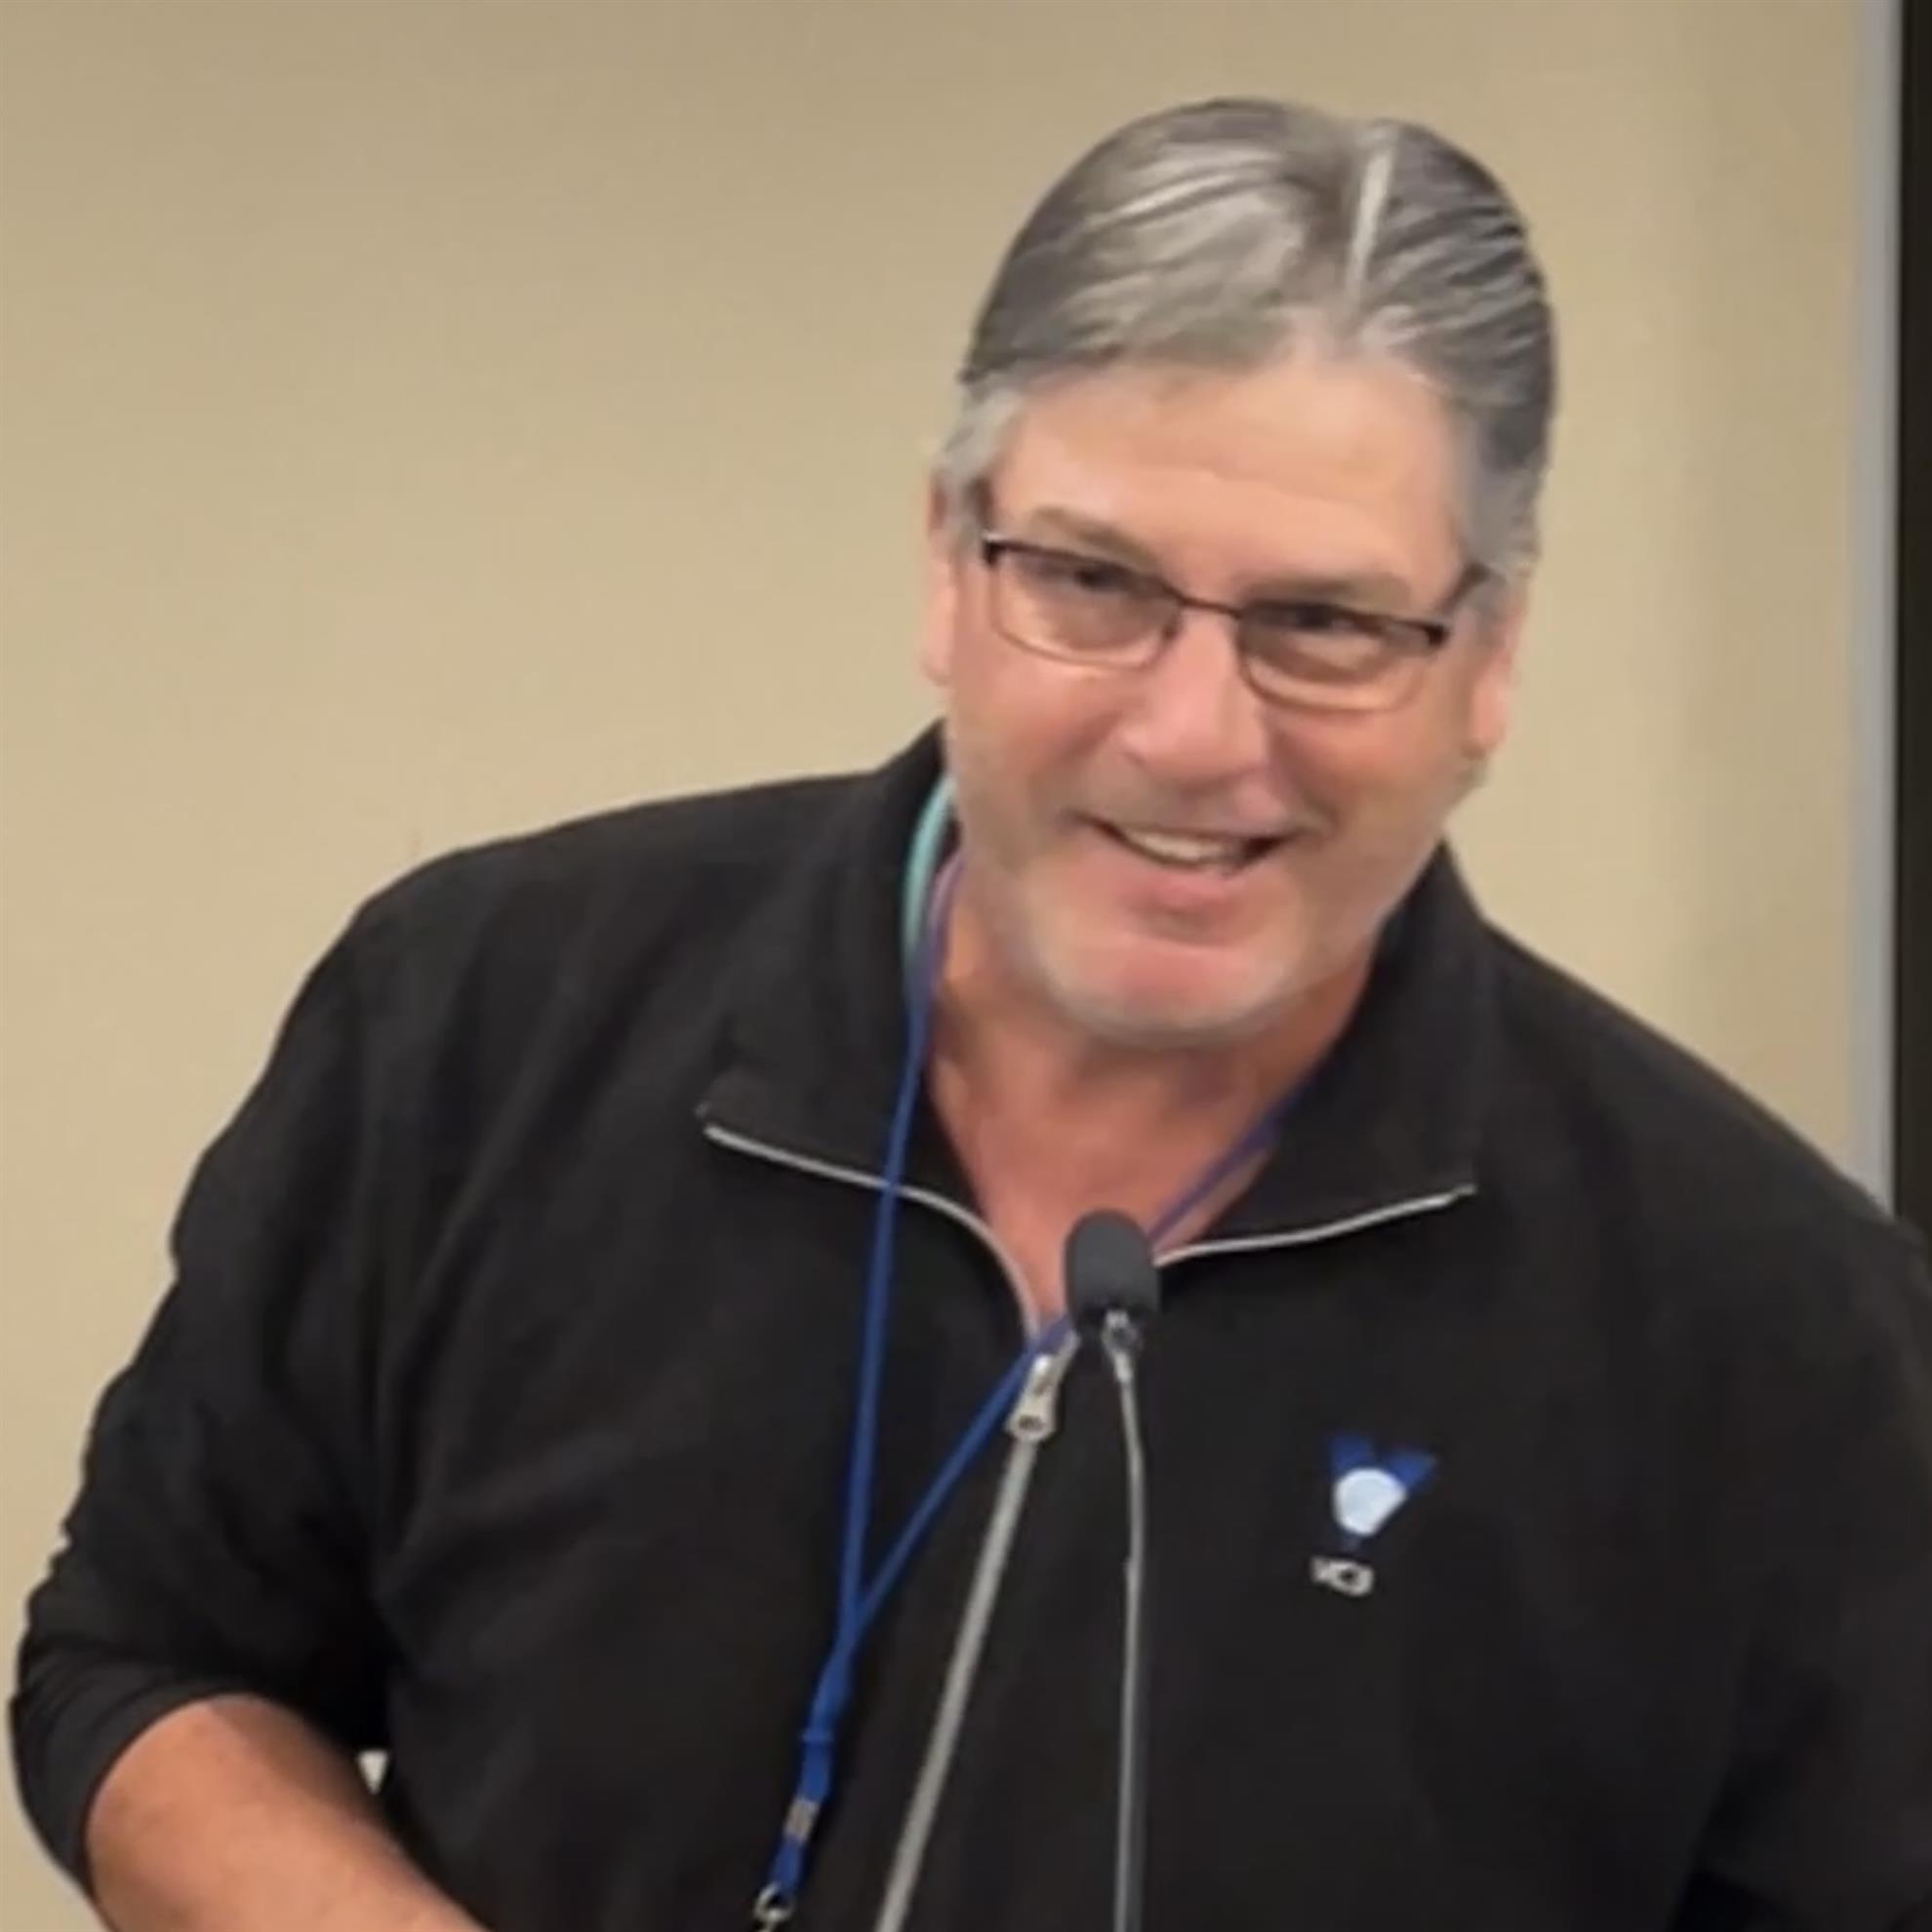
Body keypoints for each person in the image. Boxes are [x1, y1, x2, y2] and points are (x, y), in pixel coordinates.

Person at [12, 94, 1932, 1932]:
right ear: (946, 560)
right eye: (1090, 582)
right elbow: (150, 1660)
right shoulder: (484, 1022)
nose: (1192, 733)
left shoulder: (1778, 1334)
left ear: (1489, 656)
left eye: (1326, 626)